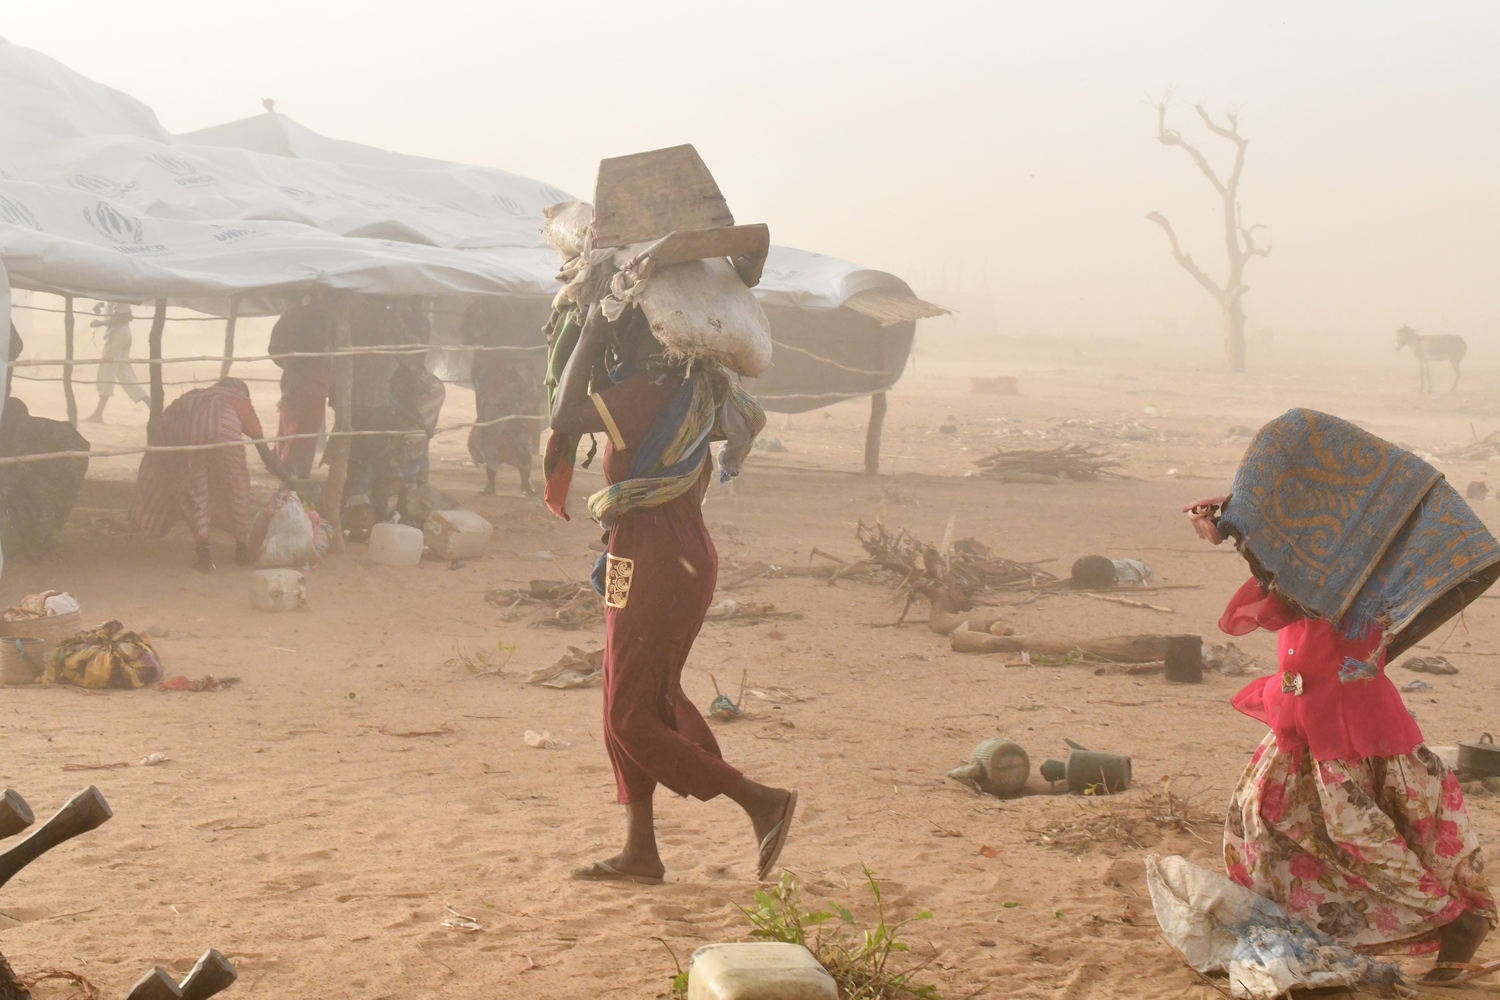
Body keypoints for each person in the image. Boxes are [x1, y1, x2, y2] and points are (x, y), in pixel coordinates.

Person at [1184, 408, 1499, 983]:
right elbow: (1276, 580)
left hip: (1349, 726)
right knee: (1267, 824)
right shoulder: (1317, 571)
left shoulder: (1358, 580)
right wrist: (1232, 525)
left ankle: (1453, 923)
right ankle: (1300, 930)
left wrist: (1235, 528)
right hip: (1302, 718)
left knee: (1365, 838)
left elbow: (1285, 584)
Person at [549, 302, 793, 886]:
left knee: (631, 715)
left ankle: (760, 800)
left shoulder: (648, 394)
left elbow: (563, 411)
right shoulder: (686, 390)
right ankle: (640, 852)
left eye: (618, 333)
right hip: (646, 556)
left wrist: (585, 334)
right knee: (624, 700)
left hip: (661, 559)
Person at [130, 377, 290, 572]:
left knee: (194, 488)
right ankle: (241, 548)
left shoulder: (193, 397)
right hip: (225, 430)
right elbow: (264, 452)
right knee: (236, 486)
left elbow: (162, 426)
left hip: (187, 432)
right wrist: (288, 479)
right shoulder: (238, 401)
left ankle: (204, 554)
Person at [461, 301, 540, 497]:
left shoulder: (526, 313)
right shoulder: (483, 309)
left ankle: (525, 482)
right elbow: (469, 337)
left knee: (521, 430)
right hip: (493, 382)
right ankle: (491, 483)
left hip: (517, 383)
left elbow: (539, 342)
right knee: (491, 429)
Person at [0, 397, 89, 557]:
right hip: (74, 456)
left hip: (67, 460)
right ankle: (41, 540)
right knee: (50, 497)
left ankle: (37, 544)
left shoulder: (22, 428)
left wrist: (8, 487)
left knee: (37, 496)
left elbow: (22, 463)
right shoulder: (34, 424)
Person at [268, 294, 332, 479]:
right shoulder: (298, 315)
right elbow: (276, 349)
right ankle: (292, 470)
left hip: (306, 381)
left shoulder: (304, 313)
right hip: (302, 381)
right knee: (299, 432)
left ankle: (287, 466)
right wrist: (295, 362)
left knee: (296, 429)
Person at [85, 302, 147, 423]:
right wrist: (103, 304)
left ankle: (98, 414)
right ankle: (155, 407)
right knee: (125, 375)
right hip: (120, 334)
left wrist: (102, 322)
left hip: (117, 335)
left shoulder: (118, 295)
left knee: (107, 372)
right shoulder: (112, 296)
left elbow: (126, 316)